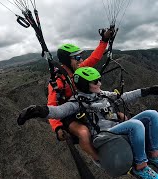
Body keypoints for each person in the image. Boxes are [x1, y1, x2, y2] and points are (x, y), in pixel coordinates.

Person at [18, 67, 158, 179]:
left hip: (117, 129)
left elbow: (124, 97)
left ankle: (155, 155)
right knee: (136, 125)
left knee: (152, 114)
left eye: (99, 79)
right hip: (103, 136)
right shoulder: (77, 102)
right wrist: (39, 111)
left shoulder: (103, 94)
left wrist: (149, 90)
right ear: (84, 85)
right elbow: (59, 111)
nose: (99, 83)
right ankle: (141, 168)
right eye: (95, 81)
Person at [47, 28, 113, 161]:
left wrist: (104, 40)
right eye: (77, 58)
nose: (80, 60)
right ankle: (101, 160)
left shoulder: (79, 69)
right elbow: (52, 105)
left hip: (85, 104)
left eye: (80, 57)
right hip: (69, 113)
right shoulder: (58, 82)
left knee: (118, 116)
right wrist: (58, 128)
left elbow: (95, 58)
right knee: (83, 133)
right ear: (67, 60)